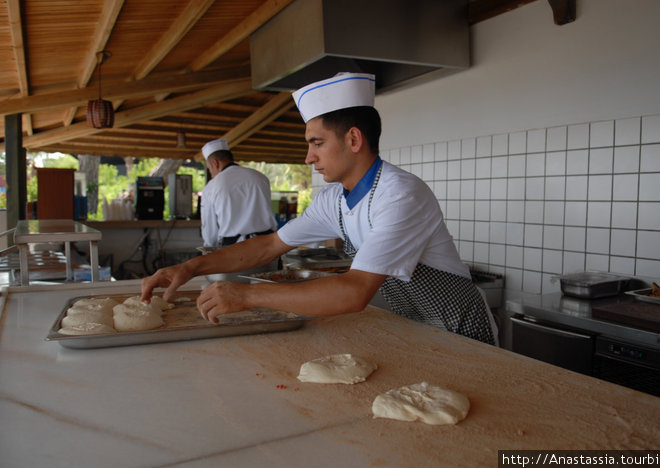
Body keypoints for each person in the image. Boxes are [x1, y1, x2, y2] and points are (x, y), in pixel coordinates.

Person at [142, 73, 497, 345]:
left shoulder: (400, 195)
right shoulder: (335, 200)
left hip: (460, 328)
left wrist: (248, 295)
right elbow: (269, 245)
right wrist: (189, 267)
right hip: (415, 324)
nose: (309, 157)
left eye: (317, 143)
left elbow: (355, 291)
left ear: (353, 140)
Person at [199, 138, 277, 247]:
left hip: (234, 250)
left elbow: (210, 232)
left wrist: (209, 249)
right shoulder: (260, 177)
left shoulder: (212, 187)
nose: (211, 174)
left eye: (209, 169)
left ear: (215, 163)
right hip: (267, 246)